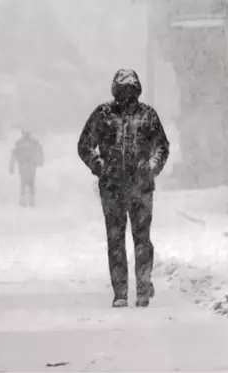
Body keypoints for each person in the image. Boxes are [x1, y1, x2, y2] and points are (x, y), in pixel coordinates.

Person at [77, 68, 170, 308]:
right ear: (116, 90)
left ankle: (141, 288)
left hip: (140, 187)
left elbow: (162, 146)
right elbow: (84, 145)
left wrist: (151, 168)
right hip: (113, 188)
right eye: (123, 89)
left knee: (141, 240)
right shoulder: (103, 114)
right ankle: (121, 292)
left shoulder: (148, 115)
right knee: (117, 240)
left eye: (131, 89)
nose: (127, 94)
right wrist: (100, 167)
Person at [10, 130, 44, 207]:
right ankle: (23, 201)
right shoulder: (19, 143)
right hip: (23, 167)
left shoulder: (34, 143)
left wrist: (40, 160)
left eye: (28, 133)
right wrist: (12, 165)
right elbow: (14, 153)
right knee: (23, 184)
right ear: (23, 133)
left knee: (31, 184)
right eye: (25, 133)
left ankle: (31, 202)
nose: (27, 135)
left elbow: (39, 151)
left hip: (31, 167)